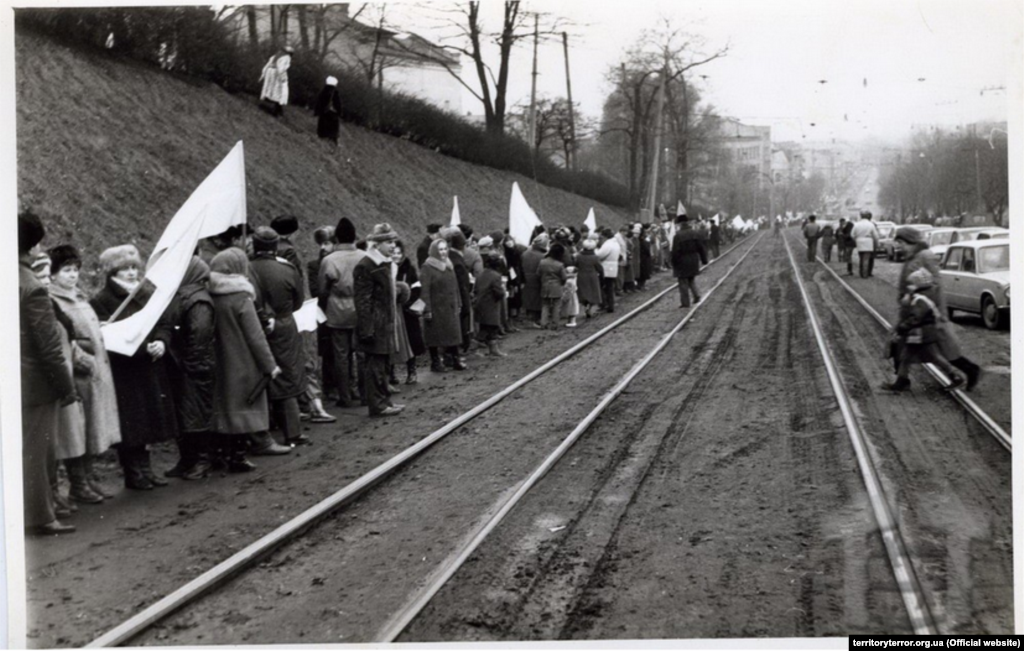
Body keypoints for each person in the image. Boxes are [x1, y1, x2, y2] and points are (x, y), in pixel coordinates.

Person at [91, 244, 179, 490]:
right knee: (132, 423)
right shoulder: (102, 301)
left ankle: (146, 469)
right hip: (126, 371)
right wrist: (143, 349)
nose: (131, 273)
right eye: (124, 269)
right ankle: (133, 473)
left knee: (149, 420)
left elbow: (163, 321)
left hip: (149, 366)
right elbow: (109, 336)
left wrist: (162, 341)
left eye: (133, 268)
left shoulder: (146, 295)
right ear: (112, 272)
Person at [47, 244, 120, 501]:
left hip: (94, 373)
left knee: (91, 430)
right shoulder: (53, 300)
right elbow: (64, 338)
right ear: (53, 274)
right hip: (79, 373)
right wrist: (83, 360)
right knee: (76, 432)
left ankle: (87, 479)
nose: (72, 275)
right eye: (66, 270)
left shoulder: (78, 297)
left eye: (76, 269)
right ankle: (79, 484)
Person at [20, 211, 78, 535]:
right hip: (34, 384)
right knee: (37, 451)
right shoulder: (32, 287)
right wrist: (66, 387)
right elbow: (49, 346)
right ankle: (41, 516)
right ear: (33, 246)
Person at [208, 249, 282, 471]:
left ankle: (221, 455)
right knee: (243, 408)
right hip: (244, 362)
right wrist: (270, 365)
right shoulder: (241, 297)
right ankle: (238, 457)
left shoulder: (212, 294)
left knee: (225, 407)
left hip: (220, 361)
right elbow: (256, 336)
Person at [894, 226, 982, 390]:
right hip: (914, 310)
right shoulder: (911, 256)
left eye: (901, 242)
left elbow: (936, 285)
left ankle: (970, 370)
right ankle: (902, 379)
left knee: (945, 350)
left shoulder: (925, 256)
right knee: (910, 347)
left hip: (927, 312)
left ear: (911, 242)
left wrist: (937, 312)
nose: (898, 246)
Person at [249, 227, 309, 446]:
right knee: (288, 374)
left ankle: (262, 429)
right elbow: (298, 301)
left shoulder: (247, 268)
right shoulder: (287, 268)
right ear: (275, 246)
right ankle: (292, 431)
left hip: (253, 324)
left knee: (258, 374)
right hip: (284, 323)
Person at [164, 256, 218, 480]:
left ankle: (201, 461)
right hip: (186, 364)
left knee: (196, 414)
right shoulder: (187, 296)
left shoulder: (198, 301)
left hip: (195, 366)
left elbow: (199, 335)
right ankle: (187, 459)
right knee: (185, 414)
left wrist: (190, 363)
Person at [883, 268, 965, 392]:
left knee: (933, 356)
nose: (909, 287)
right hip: (920, 334)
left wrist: (902, 328)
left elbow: (915, 317)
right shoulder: (921, 297)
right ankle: (902, 381)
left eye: (911, 284)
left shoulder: (920, 300)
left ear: (918, 284)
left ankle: (956, 376)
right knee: (907, 356)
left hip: (922, 334)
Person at [353, 223, 405, 417]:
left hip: (386, 322)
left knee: (383, 364)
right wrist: (367, 329)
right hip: (375, 324)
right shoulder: (366, 266)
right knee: (375, 365)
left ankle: (385, 401)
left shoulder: (385, 264)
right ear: (376, 244)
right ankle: (377, 405)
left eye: (393, 241)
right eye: (387, 242)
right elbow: (362, 301)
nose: (392, 246)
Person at [319, 217, 367, 407]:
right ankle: (365, 394)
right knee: (363, 354)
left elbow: (322, 290)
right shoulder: (363, 256)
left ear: (337, 238)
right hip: (361, 310)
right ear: (354, 237)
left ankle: (345, 396)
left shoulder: (329, 260)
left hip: (337, 312)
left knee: (341, 356)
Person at [420, 239, 465, 372]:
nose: (443, 252)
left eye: (445, 249)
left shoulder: (449, 265)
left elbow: (455, 286)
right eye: (440, 249)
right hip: (436, 307)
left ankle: (454, 358)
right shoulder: (427, 267)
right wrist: (427, 309)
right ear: (434, 251)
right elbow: (424, 290)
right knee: (435, 335)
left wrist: (459, 302)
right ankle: (435, 362)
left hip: (450, 306)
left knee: (453, 333)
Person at [392, 240, 425, 384]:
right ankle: (391, 373)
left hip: (407, 311)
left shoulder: (409, 269)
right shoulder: (386, 269)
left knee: (410, 340)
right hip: (392, 311)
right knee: (392, 341)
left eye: (399, 253)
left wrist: (407, 302)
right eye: (394, 253)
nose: (396, 256)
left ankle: (412, 371)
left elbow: (417, 289)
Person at [671, 214, 708, 308]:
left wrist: (674, 263)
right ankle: (696, 295)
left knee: (683, 281)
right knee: (691, 279)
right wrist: (704, 260)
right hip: (694, 259)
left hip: (682, 261)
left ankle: (685, 302)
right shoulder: (695, 233)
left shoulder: (678, 236)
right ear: (687, 222)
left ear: (680, 224)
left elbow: (675, 251)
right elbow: (701, 248)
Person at [475, 255, 508, 356]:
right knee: (491, 327)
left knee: (485, 326)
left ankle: (492, 349)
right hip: (491, 304)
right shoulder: (496, 276)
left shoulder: (481, 273)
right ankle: (480, 348)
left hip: (480, 303)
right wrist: (503, 292)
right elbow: (498, 292)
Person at [521, 231, 548, 327]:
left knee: (529, 299)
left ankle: (530, 318)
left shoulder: (525, 253)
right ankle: (535, 319)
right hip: (538, 279)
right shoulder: (543, 256)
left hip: (526, 278)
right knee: (537, 300)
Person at [539, 243, 568, 330]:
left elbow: (538, 273)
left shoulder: (542, 262)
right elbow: (564, 277)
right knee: (556, 305)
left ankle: (543, 323)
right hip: (556, 286)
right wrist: (562, 283)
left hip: (545, 285)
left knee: (545, 305)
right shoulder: (559, 265)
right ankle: (555, 324)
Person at [259, 45, 293, 117]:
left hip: (270, 72)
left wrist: (263, 73)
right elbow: (281, 68)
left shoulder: (275, 56)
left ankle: (277, 108)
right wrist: (283, 78)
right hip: (277, 74)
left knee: (270, 89)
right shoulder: (286, 58)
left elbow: (267, 65)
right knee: (280, 91)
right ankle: (276, 110)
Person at [575, 238, 603, 318]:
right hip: (592, 277)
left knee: (583, 293)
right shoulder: (595, 257)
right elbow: (599, 268)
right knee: (593, 293)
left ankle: (584, 308)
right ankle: (590, 310)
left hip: (581, 276)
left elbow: (575, 265)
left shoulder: (579, 256)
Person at [595, 228, 621, 313]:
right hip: (613, 267)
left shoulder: (608, 244)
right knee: (610, 287)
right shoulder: (615, 243)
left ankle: (605, 304)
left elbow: (600, 255)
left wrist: (596, 251)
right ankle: (610, 305)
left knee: (604, 287)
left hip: (606, 268)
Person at [313, 75, 342, 144]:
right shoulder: (335, 92)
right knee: (333, 127)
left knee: (322, 124)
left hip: (324, 112)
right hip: (332, 113)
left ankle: (321, 135)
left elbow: (319, 102)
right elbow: (338, 104)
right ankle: (333, 139)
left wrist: (317, 111)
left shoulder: (323, 91)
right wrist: (340, 112)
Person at [851, 211, 879, 278]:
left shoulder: (856, 224)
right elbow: (875, 236)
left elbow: (852, 234)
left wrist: (856, 239)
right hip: (868, 242)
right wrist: (876, 243)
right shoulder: (870, 224)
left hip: (859, 241)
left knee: (861, 257)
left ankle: (861, 272)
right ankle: (865, 274)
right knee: (866, 258)